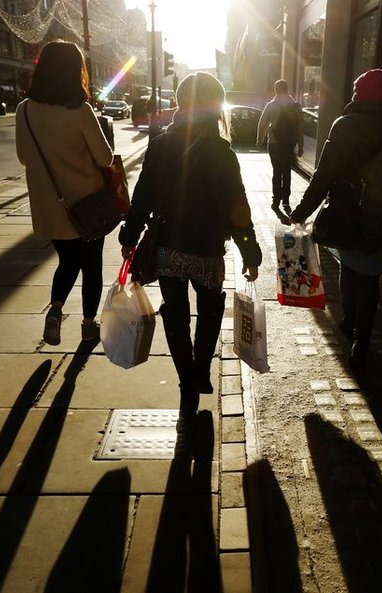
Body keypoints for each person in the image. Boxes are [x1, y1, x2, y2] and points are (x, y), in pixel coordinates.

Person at [120, 71, 262, 424]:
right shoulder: (221, 150)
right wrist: (250, 252)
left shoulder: (162, 144)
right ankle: (200, 371)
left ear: (180, 103)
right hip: (208, 249)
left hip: (169, 246)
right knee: (210, 312)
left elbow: (142, 195)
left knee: (176, 313)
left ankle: (186, 379)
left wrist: (129, 236)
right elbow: (237, 206)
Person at [289, 67, 382, 370]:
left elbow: (322, 176)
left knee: (348, 267)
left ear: (362, 93)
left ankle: (348, 321)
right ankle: (361, 342)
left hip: (344, 214)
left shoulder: (344, 125)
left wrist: (300, 213)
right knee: (369, 279)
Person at [15, 41, 114, 346]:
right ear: (75, 71)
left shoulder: (25, 110)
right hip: (87, 204)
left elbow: (23, 156)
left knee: (67, 261)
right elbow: (105, 158)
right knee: (92, 266)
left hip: (52, 208)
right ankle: (87, 325)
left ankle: (55, 311)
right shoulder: (80, 110)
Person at [256, 79, 304, 211]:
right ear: (287, 89)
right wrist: (301, 145)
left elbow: (262, 124)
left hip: (274, 143)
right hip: (289, 144)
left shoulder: (271, 105)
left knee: (277, 172)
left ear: (276, 90)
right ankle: (286, 200)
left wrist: (259, 139)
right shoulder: (296, 106)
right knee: (287, 170)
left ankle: (276, 200)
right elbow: (300, 127)